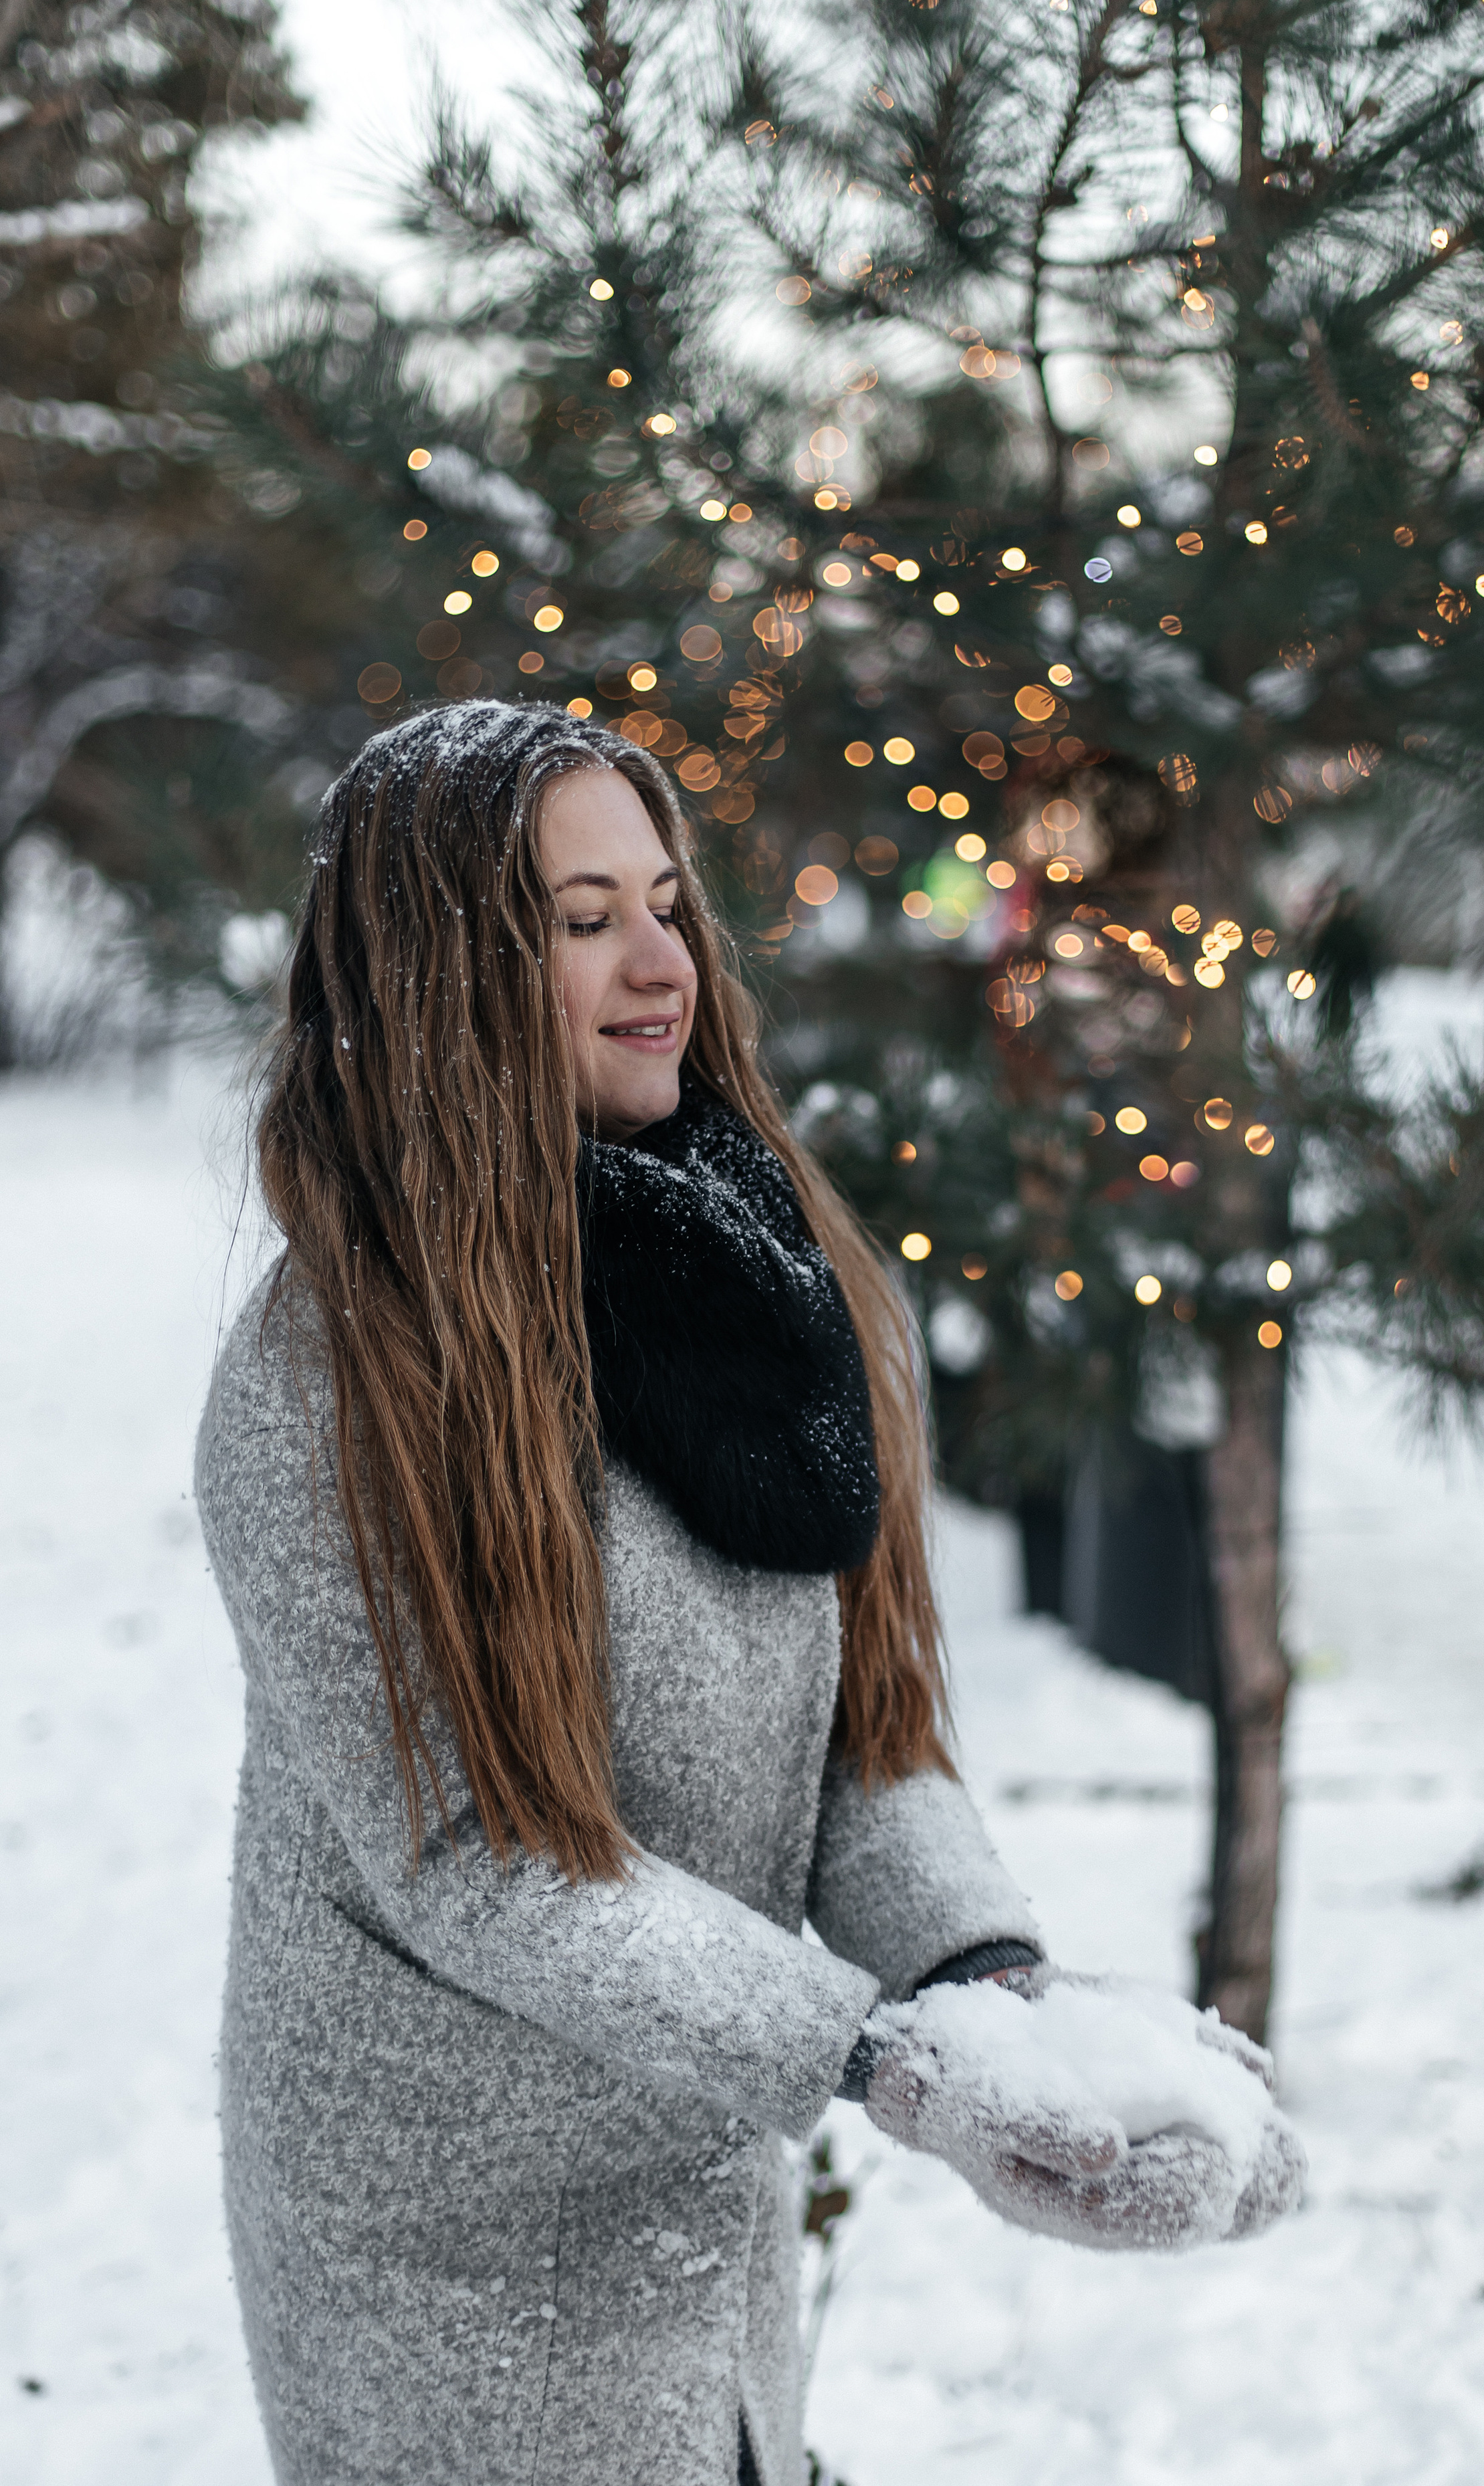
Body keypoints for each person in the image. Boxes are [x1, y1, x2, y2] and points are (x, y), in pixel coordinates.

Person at [195, 703, 1303, 2486]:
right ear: (437, 973)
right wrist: (886, 2065)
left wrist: (1003, 1992)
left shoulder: (759, 1278)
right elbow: (482, 1864)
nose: (661, 965)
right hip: (443, 2253)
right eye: (579, 920)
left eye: (666, 902)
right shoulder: (334, 1382)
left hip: (692, 2196)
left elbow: (866, 1742)